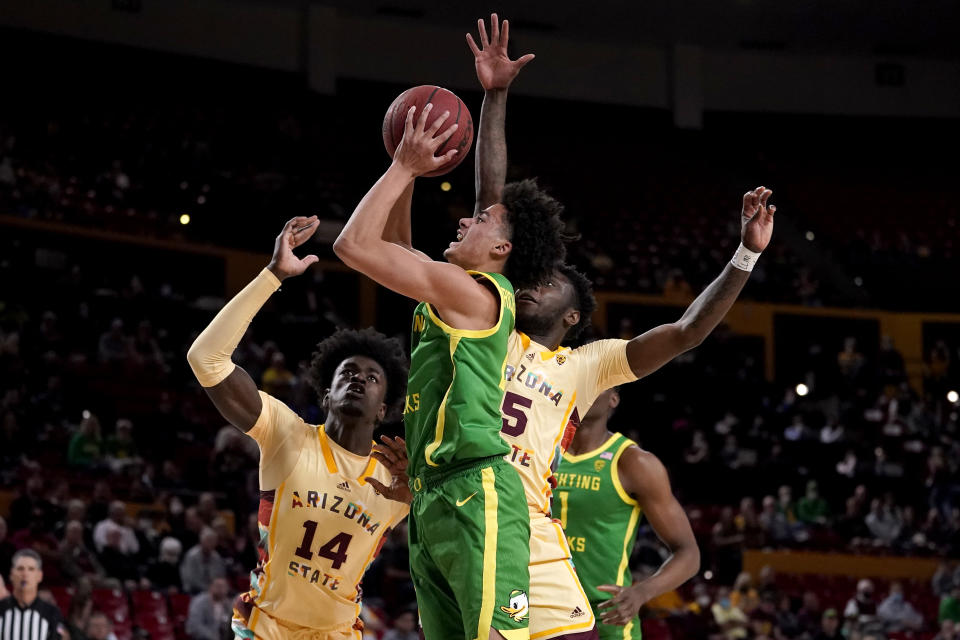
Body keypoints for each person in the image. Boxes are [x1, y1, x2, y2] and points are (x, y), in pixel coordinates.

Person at [333, 16, 567, 639]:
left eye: (483, 221)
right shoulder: (454, 288)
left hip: (477, 493)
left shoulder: (476, 295)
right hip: (435, 492)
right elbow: (395, 252)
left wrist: (405, 168)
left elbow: (356, 246)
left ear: (502, 251)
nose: (467, 220)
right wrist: (491, 98)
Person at [187, 217, 411, 640]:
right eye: (347, 373)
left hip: (338, 633)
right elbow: (206, 359)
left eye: (371, 376)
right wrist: (272, 275)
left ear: (384, 410)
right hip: (266, 627)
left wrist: (419, 501)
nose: (357, 379)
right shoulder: (287, 433)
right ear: (326, 395)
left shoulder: (397, 474)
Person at [556, 388, 700, 638]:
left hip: (605, 617)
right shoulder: (538, 449)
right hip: (541, 611)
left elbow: (689, 553)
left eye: (596, 379)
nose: (584, 383)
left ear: (614, 398)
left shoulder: (634, 462)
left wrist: (642, 592)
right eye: (580, 374)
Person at [0, 550, 66, 640]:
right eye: (20, 568)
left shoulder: (52, 613)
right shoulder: (1, 609)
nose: (25, 574)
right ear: (11, 574)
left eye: (31, 569)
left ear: (39, 576)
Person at [179, 527, 226, 595]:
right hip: (193, 591)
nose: (211, 543)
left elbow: (220, 576)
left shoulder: (216, 557)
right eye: (209, 540)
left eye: (214, 541)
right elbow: (192, 579)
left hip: (212, 591)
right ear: (202, 541)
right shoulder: (192, 556)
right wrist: (208, 589)